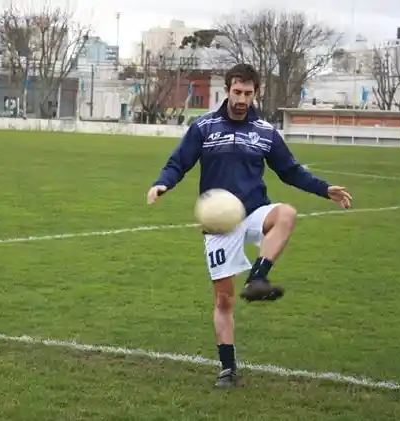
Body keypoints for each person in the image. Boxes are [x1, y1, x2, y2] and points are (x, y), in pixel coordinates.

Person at [145, 63, 353, 388]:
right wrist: (162, 184)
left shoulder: (265, 132)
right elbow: (178, 162)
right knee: (224, 301)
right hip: (219, 222)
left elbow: (290, 171)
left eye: (248, 93)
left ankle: (258, 278)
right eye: (237, 92)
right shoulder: (204, 127)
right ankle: (227, 369)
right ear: (227, 90)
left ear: (256, 93)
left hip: (254, 210)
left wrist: (324, 189)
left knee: (286, 213)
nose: (242, 99)